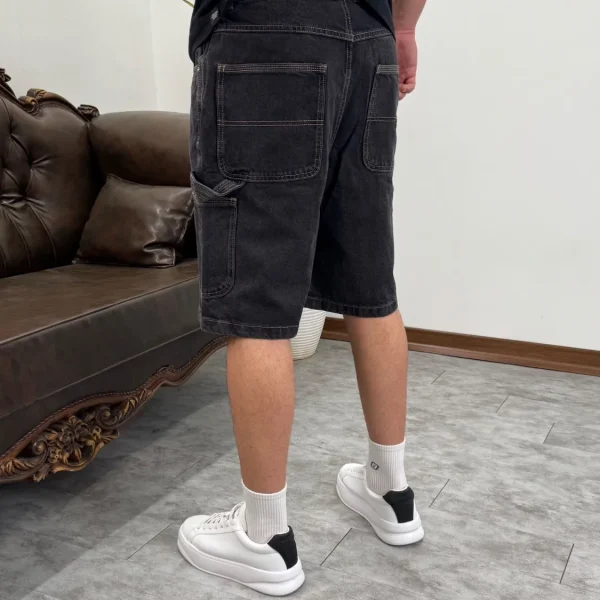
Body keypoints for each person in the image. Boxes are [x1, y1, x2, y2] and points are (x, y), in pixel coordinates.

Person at [178, 0, 427, 595]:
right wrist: (404, 27)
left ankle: (263, 536)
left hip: (266, 35)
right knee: (371, 282)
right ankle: (391, 491)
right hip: (370, 41)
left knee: (255, 298)